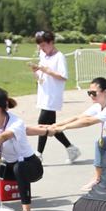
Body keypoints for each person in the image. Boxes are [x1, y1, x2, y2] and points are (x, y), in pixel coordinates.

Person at [47, 78, 106, 191]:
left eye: (93, 93)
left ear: (105, 92)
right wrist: (55, 125)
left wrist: (63, 128)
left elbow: (88, 122)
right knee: (100, 144)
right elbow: (79, 117)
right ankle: (98, 179)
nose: (91, 96)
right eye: (89, 93)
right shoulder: (98, 106)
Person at [29, 30, 78, 163]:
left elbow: (63, 76)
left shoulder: (59, 56)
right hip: (44, 92)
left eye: (44, 45)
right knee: (51, 126)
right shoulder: (43, 55)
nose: (42, 48)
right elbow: (41, 77)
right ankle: (70, 148)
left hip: (53, 95)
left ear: (51, 43)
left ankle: (38, 154)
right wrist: (36, 72)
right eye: (40, 46)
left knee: (43, 124)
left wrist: (47, 71)